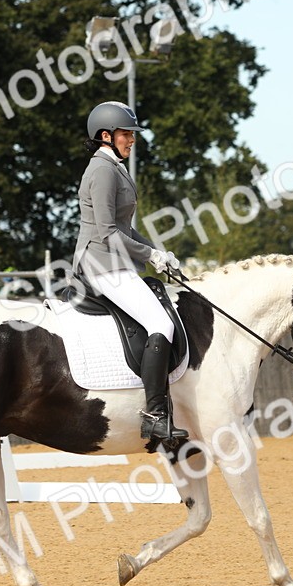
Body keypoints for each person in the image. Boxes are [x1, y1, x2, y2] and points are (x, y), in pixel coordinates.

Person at [73, 100, 187, 451]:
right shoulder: (102, 170)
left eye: (132, 134)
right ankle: (155, 415)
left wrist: (158, 253)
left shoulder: (114, 167)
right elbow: (107, 232)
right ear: (105, 135)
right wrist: (149, 255)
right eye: (126, 134)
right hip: (101, 263)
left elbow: (125, 228)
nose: (132, 139)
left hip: (115, 260)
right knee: (161, 323)